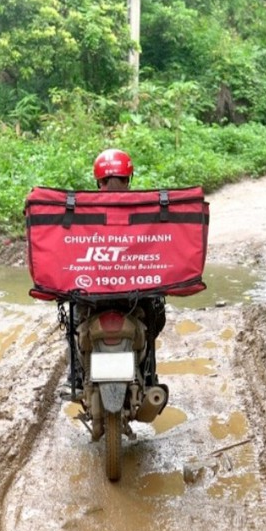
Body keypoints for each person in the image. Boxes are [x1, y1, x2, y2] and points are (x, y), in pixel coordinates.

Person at [61, 150, 167, 397]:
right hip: (135, 295)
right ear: (129, 179)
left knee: (74, 324)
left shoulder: (82, 209)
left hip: (92, 294)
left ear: (98, 181)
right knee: (154, 318)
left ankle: (75, 377)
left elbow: (70, 246)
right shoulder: (145, 207)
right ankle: (149, 375)